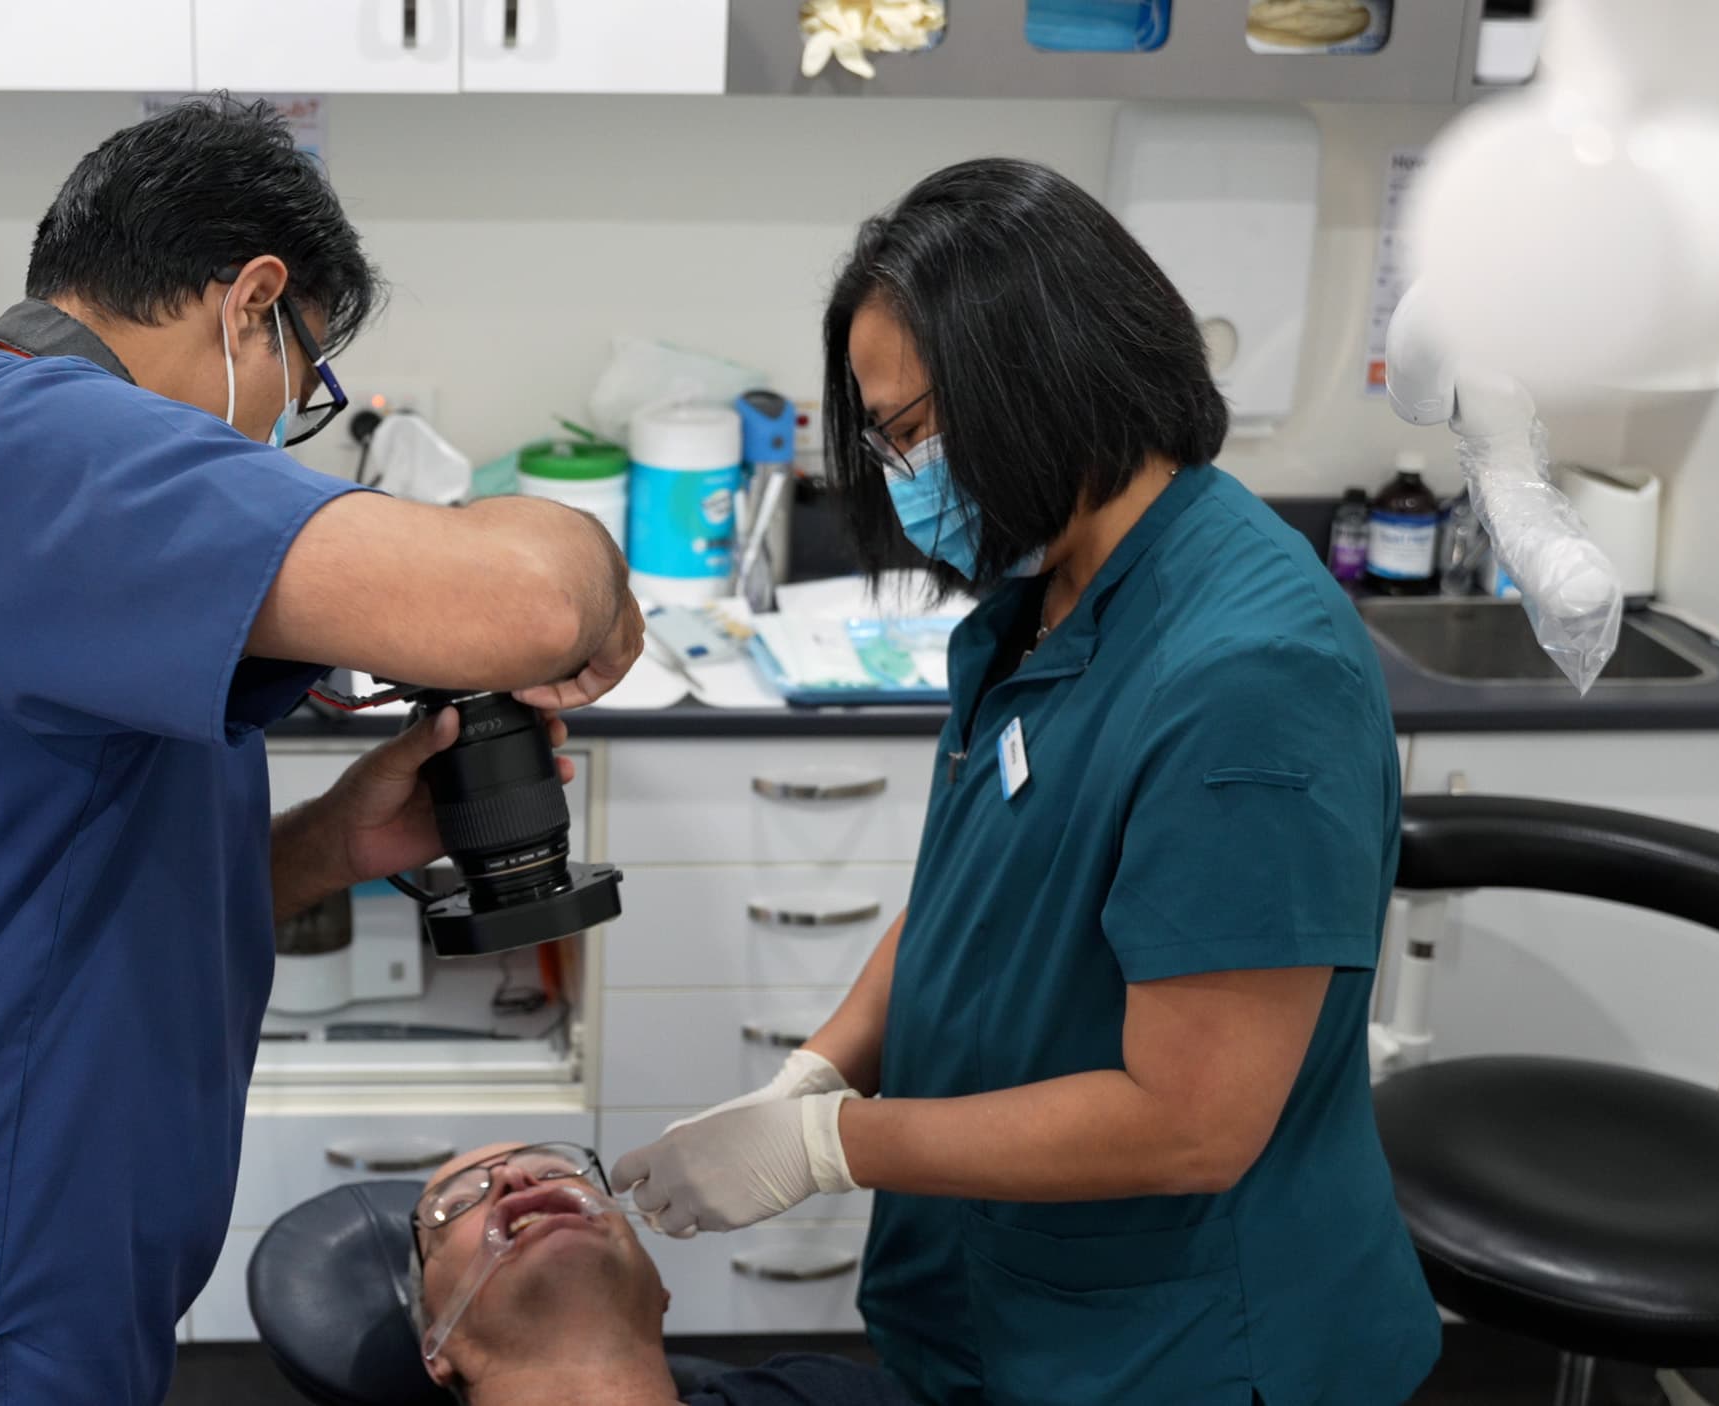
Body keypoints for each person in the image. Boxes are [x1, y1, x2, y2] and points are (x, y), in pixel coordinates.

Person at [0, 98, 643, 1406]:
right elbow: (523, 606)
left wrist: (328, 845)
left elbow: (43, 898)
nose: (273, 438)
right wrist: (591, 562)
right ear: (252, 303)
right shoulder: (36, 444)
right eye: (301, 391)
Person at [609, 158, 1440, 1405]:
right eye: (882, 437)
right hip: (1001, 1292)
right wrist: (814, 1071)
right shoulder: (1045, 599)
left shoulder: (1249, 675)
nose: (901, 472)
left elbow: (1190, 1120)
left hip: (1180, 1346)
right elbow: (974, 895)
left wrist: (828, 1143)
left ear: (1039, 376)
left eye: (910, 430)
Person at [412, 1142, 918, 1406]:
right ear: (438, 1347)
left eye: (553, 1172)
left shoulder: (821, 1394)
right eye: (457, 1204)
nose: (513, 1176)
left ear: (659, 1289)